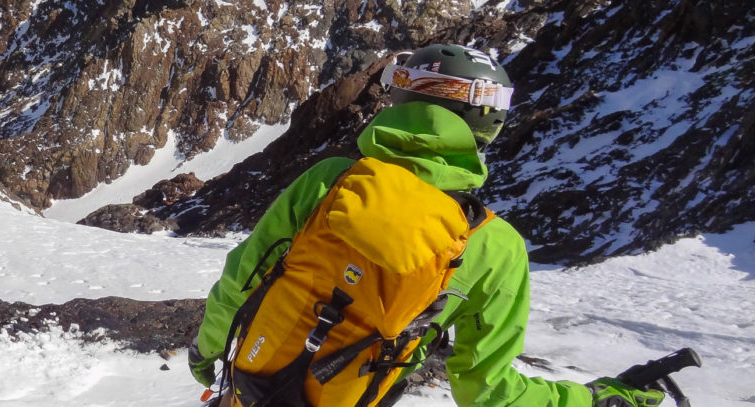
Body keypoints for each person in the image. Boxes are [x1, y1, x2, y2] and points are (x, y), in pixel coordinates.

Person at [187, 44, 664, 407]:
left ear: (401, 99)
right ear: (489, 122)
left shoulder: (331, 181)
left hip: (251, 388)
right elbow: (488, 391)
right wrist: (593, 398)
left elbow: (241, 281)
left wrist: (205, 354)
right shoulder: (493, 245)